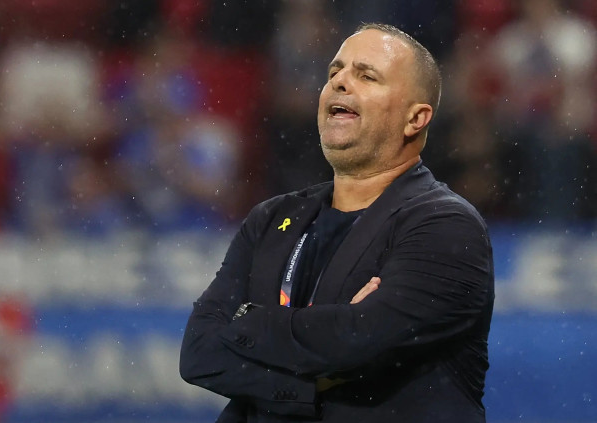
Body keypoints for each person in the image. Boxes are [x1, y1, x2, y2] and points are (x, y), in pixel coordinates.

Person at [179, 23, 494, 422]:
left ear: (415, 118)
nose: (339, 82)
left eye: (367, 76)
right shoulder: (271, 218)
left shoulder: (445, 225)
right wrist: (314, 377)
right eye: (334, 72)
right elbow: (198, 354)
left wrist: (243, 320)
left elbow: (358, 341)